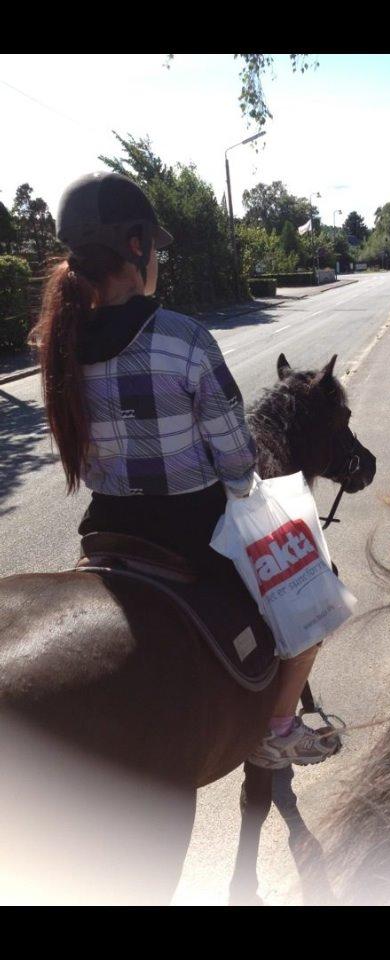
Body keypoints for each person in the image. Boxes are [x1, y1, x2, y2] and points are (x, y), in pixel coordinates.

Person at [31, 171, 340, 769]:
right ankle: (277, 726)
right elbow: (237, 461)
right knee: (314, 593)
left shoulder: (57, 343)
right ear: (137, 247)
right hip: (193, 532)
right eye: (155, 250)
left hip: (105, 530)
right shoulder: (184, 338)